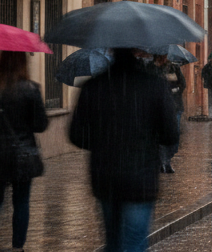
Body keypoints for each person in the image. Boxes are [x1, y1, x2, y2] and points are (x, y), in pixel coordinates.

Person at [70, 48, 179, 252]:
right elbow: (171, 135)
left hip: (106, 178)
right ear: (137, 50)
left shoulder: (95, 86)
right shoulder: (154, 85)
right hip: (141, 179)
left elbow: (76, 135)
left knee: (113, 242)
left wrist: (104, 142)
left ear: (112, 50)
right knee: (134, 242)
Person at [0, 51, 49, 252]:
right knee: (21, 201)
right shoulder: (31, 89)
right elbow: (40, 125)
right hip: (23, 155)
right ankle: (18, 247)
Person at [152, 54, 185, 173]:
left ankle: (168, 159)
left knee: (174, 134)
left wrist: (174, 89)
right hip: (158, 107)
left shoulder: (174, 68)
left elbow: (183, 84)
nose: (163, 58)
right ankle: (163, 161)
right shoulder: (152, 69)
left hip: (175, 106)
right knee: (160, 135)